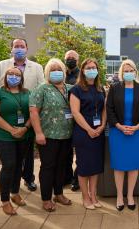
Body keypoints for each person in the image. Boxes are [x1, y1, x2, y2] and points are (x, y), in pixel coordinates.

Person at [0, 38, 44, 192]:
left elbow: (41, 88)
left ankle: (28, 178)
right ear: (11, 49)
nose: (19, 48)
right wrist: (5, 100)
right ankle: (10, 190)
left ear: (27, 48)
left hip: (29, 115)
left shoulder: (37, 67)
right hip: (7, 112)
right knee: (10, 161)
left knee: (27, 153)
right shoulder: (1, 65)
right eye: (16, 46)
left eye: (22, 46)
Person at [29, 58, 73, 212]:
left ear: (64, 72)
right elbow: (33, 111)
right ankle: (46, 198)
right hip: (48, 135)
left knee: (62, 166)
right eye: (52, 70)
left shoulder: (70, 88)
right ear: (47, 73)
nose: (56, 72)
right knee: (48, 167)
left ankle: (59, 194)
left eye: (59, 69)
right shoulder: (42, 89)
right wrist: (38, 133)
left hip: (67, 135)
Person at [0, 67, 32, 215]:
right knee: (9, 165)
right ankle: (4, 201)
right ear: (6, 76)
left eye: (17, 74)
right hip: (4, 136)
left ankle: (15, 192)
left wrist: (24, 128)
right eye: (11, 74)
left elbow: (34, 112)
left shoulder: (27, 93)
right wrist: (11, 130)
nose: (14, 76)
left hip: (24, 134)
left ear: (22, 77)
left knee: (19, 164)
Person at [106, 59, 139, 211]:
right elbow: (109, 109)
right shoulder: (114, 88)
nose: (129, 73)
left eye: (131, 70)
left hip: (137, 132)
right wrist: (119, 126)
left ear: (135, 72)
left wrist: (137, 126)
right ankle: (119, 196)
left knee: (133, 166)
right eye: (126, 71)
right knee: (119, 166)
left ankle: (130, 195)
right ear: (121, 73)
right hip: (118, 132)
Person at [70, 58, 107, 210]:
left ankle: (94, 195)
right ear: (83, 71)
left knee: (96, 166)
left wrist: (103, 125)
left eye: (94, 67)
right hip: (83, 132)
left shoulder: (100, 89)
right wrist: (89, 129)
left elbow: (104, 109)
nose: (91, 70)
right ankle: (85, 197)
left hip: (98, 132)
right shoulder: (76, 89)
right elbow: (75, 112)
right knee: (84, 166)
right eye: (88, 67)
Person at [64, 50, 80, 191]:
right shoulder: (60, 73)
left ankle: (77, 178)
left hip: (79, 117)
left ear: (77, 61)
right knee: (66, 151)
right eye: (68, 58)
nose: (70, 60)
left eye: (72, 58)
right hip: (63, 118)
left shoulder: (82, 75)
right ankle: (66, 176)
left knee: (79, 151)